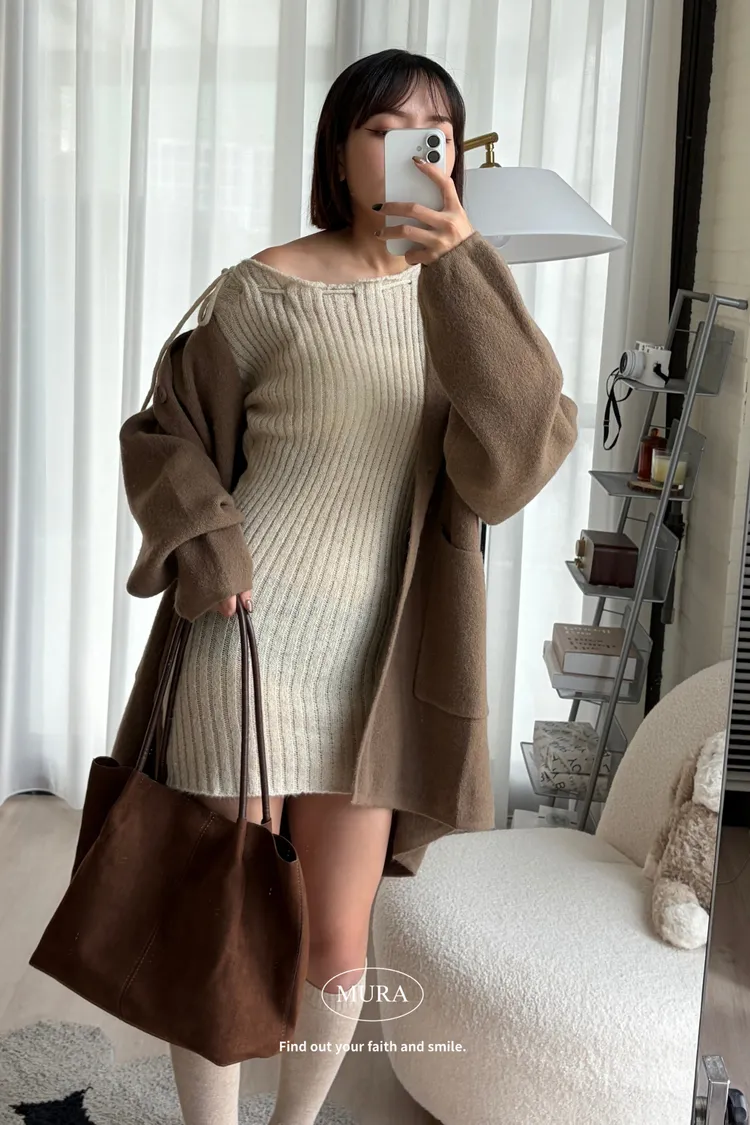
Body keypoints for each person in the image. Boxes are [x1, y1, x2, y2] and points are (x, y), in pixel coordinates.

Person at [138, 46, 577, 1125]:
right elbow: (163, 436)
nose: (407, 153)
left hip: (380, 663)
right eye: (382, 131)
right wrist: (210, 548)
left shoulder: (466, 302)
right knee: (225, 919)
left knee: (339, 941)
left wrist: (464, 265)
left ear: (456, 158)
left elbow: (519, 450)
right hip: (245, 636)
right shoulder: (260, 289)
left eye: (433, 135)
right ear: (339, 155)